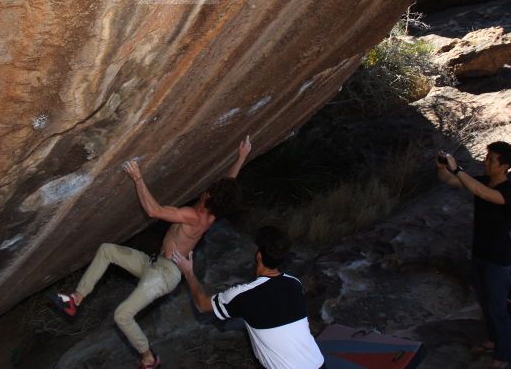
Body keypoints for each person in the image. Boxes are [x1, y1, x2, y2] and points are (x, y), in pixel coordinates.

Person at [51, 136, 252, 369]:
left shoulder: (193, 216)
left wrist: (137, 177)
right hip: (153, 264)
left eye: (210, 190)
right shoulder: (214, 210)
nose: (207, 189)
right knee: (107, 250)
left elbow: (154, 210)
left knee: (122, 315)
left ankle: (148, 358)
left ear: (210, 197)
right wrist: (242, 156)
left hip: (166, 274)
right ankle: (76, 299)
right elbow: (228, 183)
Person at [172, 226, 325, 369]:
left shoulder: (244, 295)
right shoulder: (294, 283)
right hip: (318, 363)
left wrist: (188, 272)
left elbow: (201, 304)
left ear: (258, 254)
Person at [436, 142, 511, 368]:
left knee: (497, 308)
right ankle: (493, 341)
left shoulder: (509, 192)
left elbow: (481, 192)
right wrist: (442, 167)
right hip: (480, 253)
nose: (485, 161)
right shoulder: (484, 180)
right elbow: (450, 181)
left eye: (491, 159)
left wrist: (458, 169)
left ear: (504, 166)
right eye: (487, 157)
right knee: (485, 303)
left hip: (498, 259)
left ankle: (504, 356)